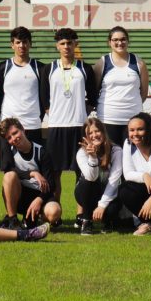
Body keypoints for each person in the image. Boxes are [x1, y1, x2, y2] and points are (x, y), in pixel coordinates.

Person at [40, 28, 97, 208]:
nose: (66, 46)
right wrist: (57, 113)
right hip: (56, 127)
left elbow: (92, 98)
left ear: (75, 45)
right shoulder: (49, 69)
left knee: (82, 172)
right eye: (62, 43)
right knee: (54, 173)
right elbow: (44, 99)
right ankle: (55, 211)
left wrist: (80, 113)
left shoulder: (85, 68)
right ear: (57, 46)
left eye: (70, 43)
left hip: (79, 127)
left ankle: (81, 214)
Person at [0, 118, 62, 229]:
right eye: (9, 138)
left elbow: (51, 184)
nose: (14, 138)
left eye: (15, 133)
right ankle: (13, 220)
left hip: (40, 194)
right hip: (21, 195)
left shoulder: (41, 151)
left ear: (23, 129)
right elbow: (9, 170)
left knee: (54, 212)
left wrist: (39, 200)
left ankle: (38, 218)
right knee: (9, 176)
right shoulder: (10, 151)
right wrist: (32, 173)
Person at [94, 26, 149, 147]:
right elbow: (95, 91)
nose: (120, 43)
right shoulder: (102, 62)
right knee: (110, 156)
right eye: (115, 40)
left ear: (128, 41)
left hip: (133, 121)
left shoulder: (139, 63)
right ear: (109, 42)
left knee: (133, 156)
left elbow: (144, 93)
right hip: (107, 119)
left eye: (123, 39)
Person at [0, 26, 44, 148]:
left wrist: (38, 117)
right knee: (9, 161)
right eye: (18, 42)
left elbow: (43, 97)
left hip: (32, 125)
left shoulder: (40, 68)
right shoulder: (3, 67)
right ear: (12, 45)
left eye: (25, 42)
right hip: (8, 127)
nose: (21, 45)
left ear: (30, 44)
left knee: (34, 160)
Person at [74, 118, 123, 235]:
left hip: (108, 193)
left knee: (111, 210)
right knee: (87, 181)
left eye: (97, 131)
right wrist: (92, 157)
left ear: (103, 132)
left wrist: (102, 206)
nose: (94, 135)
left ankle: (107, 220)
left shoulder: (116, 151)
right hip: (87, 193)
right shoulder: (81, 153)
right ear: (85, 137)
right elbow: (91, 177)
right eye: (90, 133)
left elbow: (114, 181)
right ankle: (87, 221)